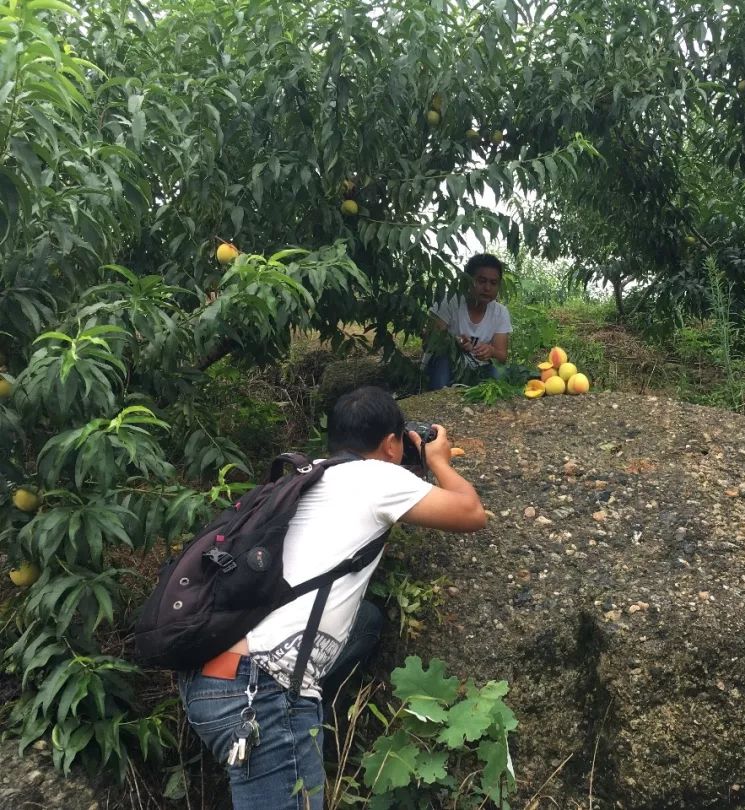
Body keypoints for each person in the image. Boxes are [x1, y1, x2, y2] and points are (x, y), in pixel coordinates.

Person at [177, 386, 486, 809]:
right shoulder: (377, 477)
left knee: (367, 622)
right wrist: (437, 460)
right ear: (391, 444)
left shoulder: (305, 476)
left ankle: (312, 712)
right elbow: (471, 513)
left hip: (214, 677)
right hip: (261, 691)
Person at [424, 253, 512, 390]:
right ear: (467, 281)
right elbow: (429, 343)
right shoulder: (449, 302)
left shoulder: (500, 312)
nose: (487, 288)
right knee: (442, 362)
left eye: (493, 283)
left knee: (498, 374)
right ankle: (438, 399)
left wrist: (491, 351)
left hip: (479, 368)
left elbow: (502, 356)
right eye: (482, 281)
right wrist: (455, 343)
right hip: (448, 365)